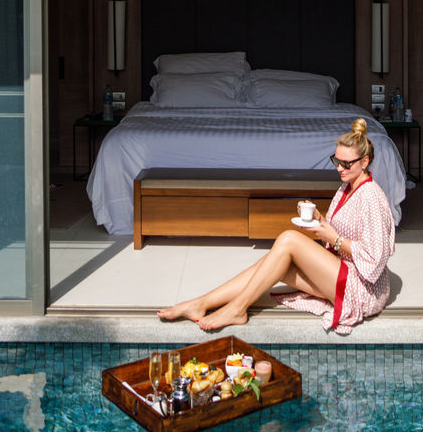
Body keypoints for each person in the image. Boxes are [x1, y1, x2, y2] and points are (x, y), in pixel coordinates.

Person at [156, 118, 395, 335]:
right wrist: (320, 222)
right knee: (273, 263)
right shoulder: (348, 187)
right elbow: (339, 233)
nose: (339, 168)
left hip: (364, 290)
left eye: (346, 163)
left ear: (365, 162)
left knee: (289, 239)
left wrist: (334, 238)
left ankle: (237, 309)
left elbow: (375, 258)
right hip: (344, 272)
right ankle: (202, 303)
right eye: (336, 161)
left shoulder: (371, 196)